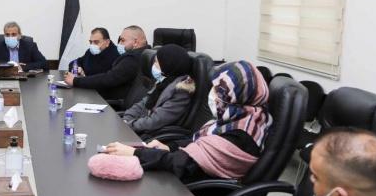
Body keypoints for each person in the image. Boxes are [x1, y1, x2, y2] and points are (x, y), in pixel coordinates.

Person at [106, 60, 272, 183]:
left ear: (235, 95)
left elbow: (183, 163)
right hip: (191, 181)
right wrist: (169, 146)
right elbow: (200, 144)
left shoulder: (241, 134)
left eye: (218, 90)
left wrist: (135, 153)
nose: (212, 94)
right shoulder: (239, 117)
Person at [122, 44, 195, 139]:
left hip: (154, 136)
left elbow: (156, 121)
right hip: (141, 129)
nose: (153, 66)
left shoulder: (181, 91)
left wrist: (129, 125)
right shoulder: (163, 82)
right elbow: (142, 104)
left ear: (167, 64)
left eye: (156, 62)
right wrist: (126, 118)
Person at [63, 25, 150, 102]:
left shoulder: (132, 58)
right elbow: (77, 61)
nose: (119, 44)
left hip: (108, 102)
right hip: (101, 96)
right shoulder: (143, 54)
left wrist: (75, 81)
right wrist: (77, 69)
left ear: (135, 42)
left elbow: (109, 78)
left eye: (122, 40)